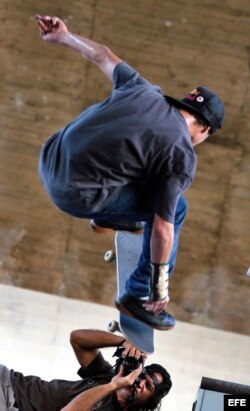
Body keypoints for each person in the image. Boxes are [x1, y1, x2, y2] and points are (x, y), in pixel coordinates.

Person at [35, 15, 225, 330]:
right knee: (175, 206)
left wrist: (63, 36)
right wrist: (159, 287)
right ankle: (138, 295)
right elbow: (164, 229)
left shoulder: (144, 89)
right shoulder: (181, 153)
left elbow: (101, 54)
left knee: (143, 164)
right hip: (72, 193)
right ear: (204, 128)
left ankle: (113, 215)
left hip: (49, 156)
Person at [0, 329, 172, 411]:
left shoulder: (111, 386)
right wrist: (123, 342)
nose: (140, 383)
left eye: (148, 386)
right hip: (9, 381)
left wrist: (112, 386)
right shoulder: (108, 375)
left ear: (152, 400)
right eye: (142, 377)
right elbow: (77, 339)